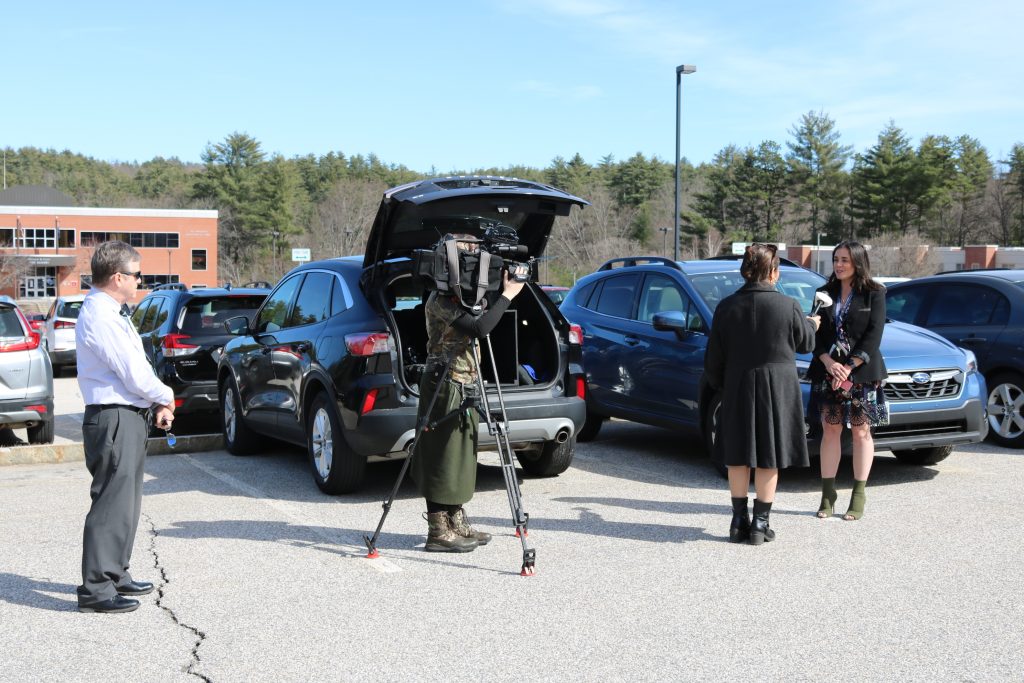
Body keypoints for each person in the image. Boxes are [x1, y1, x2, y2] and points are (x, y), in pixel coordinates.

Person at [75, 241, 176, 613]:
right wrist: (165, 396)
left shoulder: (115, 312)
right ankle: (96, 590)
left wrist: (155, 402)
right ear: (117, 277)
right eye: (137, 275)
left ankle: (116, 573)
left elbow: (138, 365)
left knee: (127, 501)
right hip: (112, 416)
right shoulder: (100, 315)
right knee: (111, 503)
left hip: (127, 415)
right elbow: (132, 372)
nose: (140, 281)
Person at [411, 235, 525, 552]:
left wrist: (492, 293)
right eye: (467, 258)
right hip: (444, 382)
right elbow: (480, 328)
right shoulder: (439, 300)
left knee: (462, 455)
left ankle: (456, 521)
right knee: (441, 455)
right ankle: (438, 530)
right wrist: (508, 295)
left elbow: (480, 317)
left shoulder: (463, 298)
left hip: (465, 380)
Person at [704, 243, 819, 545]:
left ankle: (737, 521)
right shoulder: (788, 304)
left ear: (746, 271)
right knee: (769, 456)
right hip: (777, 387)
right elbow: (806, 344)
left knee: (738, 455)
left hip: (738, 383)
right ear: (773, 272)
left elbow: (713, 360)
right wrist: (811, 323)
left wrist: (723, 385)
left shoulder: (726, 307)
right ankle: (759, 525)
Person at [808, 241, 887, 521]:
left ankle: (858, 495)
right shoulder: (823, 293)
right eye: (836, 259)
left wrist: (849, 365)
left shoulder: (874, 293)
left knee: (861, 432)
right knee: (830, 431)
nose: (839, 265)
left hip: (861, 375)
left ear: (857, 262)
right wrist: (829, 363)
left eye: (845, 260)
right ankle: (827, 495)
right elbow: (813, 335)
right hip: (829, 374)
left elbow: (874, 335)